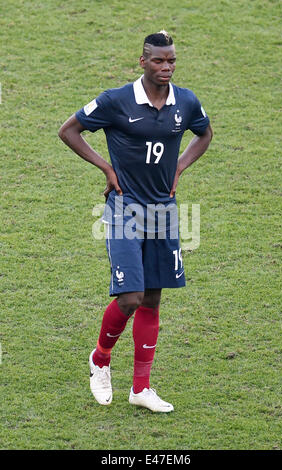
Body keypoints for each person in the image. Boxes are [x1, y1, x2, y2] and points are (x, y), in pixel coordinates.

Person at [58, 30, 213, 412]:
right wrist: (106, 169)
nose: (167, 67)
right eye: (159, 60)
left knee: (153, 297)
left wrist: (179, 168)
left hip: (163, 210)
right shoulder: (117, 101)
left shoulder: (186, 101)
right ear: (142, 61)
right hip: (124, 210)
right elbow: (69, 131)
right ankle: (100, 359)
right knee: (130, 297)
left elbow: (204, 133)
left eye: (172, 60)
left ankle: (140, 389)